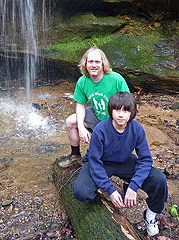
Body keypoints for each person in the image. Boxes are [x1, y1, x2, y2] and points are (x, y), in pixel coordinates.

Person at [71, 92, 168, 237]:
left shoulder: (137, 129)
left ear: (132, 112)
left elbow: (145, 160)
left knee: (159, 180)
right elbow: (95, 162)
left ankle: (150, 216)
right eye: (117, 110)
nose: (121, 115)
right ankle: (97, 188)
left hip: (124, 160)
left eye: (126, 110)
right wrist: (109, 190)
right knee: (81, 192)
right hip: (101, 162)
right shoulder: (100, 130)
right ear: (111, 111)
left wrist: (134, 186)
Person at [59, 47, 130, 168]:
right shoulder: (83, 81)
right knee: (71, 122)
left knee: (108, 157)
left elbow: (129, 106)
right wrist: (81, 127)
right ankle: (75, 155)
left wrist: (119, 128)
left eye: (97, 62)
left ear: (103, 64)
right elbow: (80, 105)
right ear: (85, 64)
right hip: (97, 114)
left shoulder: (116, 79)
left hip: (116, 120)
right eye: (90, 62)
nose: (94, 65)